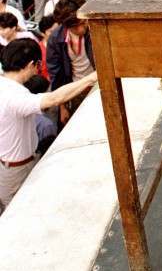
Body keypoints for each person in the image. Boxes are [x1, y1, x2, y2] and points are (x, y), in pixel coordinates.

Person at [0, 37, 97, 210]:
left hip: (11, 165)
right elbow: (54, 98)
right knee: (20, 212)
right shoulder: (15, 95)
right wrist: (90, 78)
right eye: (38, 65)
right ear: (31, 64)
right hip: (16, 170)